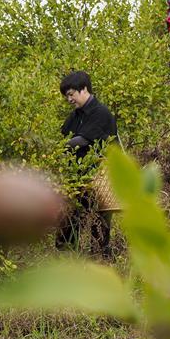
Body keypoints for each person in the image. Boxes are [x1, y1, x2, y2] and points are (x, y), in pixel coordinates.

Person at [56, 71, 118, 258]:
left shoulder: (100, 112)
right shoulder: (76, 115)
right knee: (71, 214)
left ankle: (100, 257)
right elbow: (65, 134)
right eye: (66, 95)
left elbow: (81, 140)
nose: (69, 99)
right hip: (80, 175)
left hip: (100, 174)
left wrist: (53, 149)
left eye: (71, 94)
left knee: (100, 216)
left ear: (84, 90)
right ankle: (67, 252)